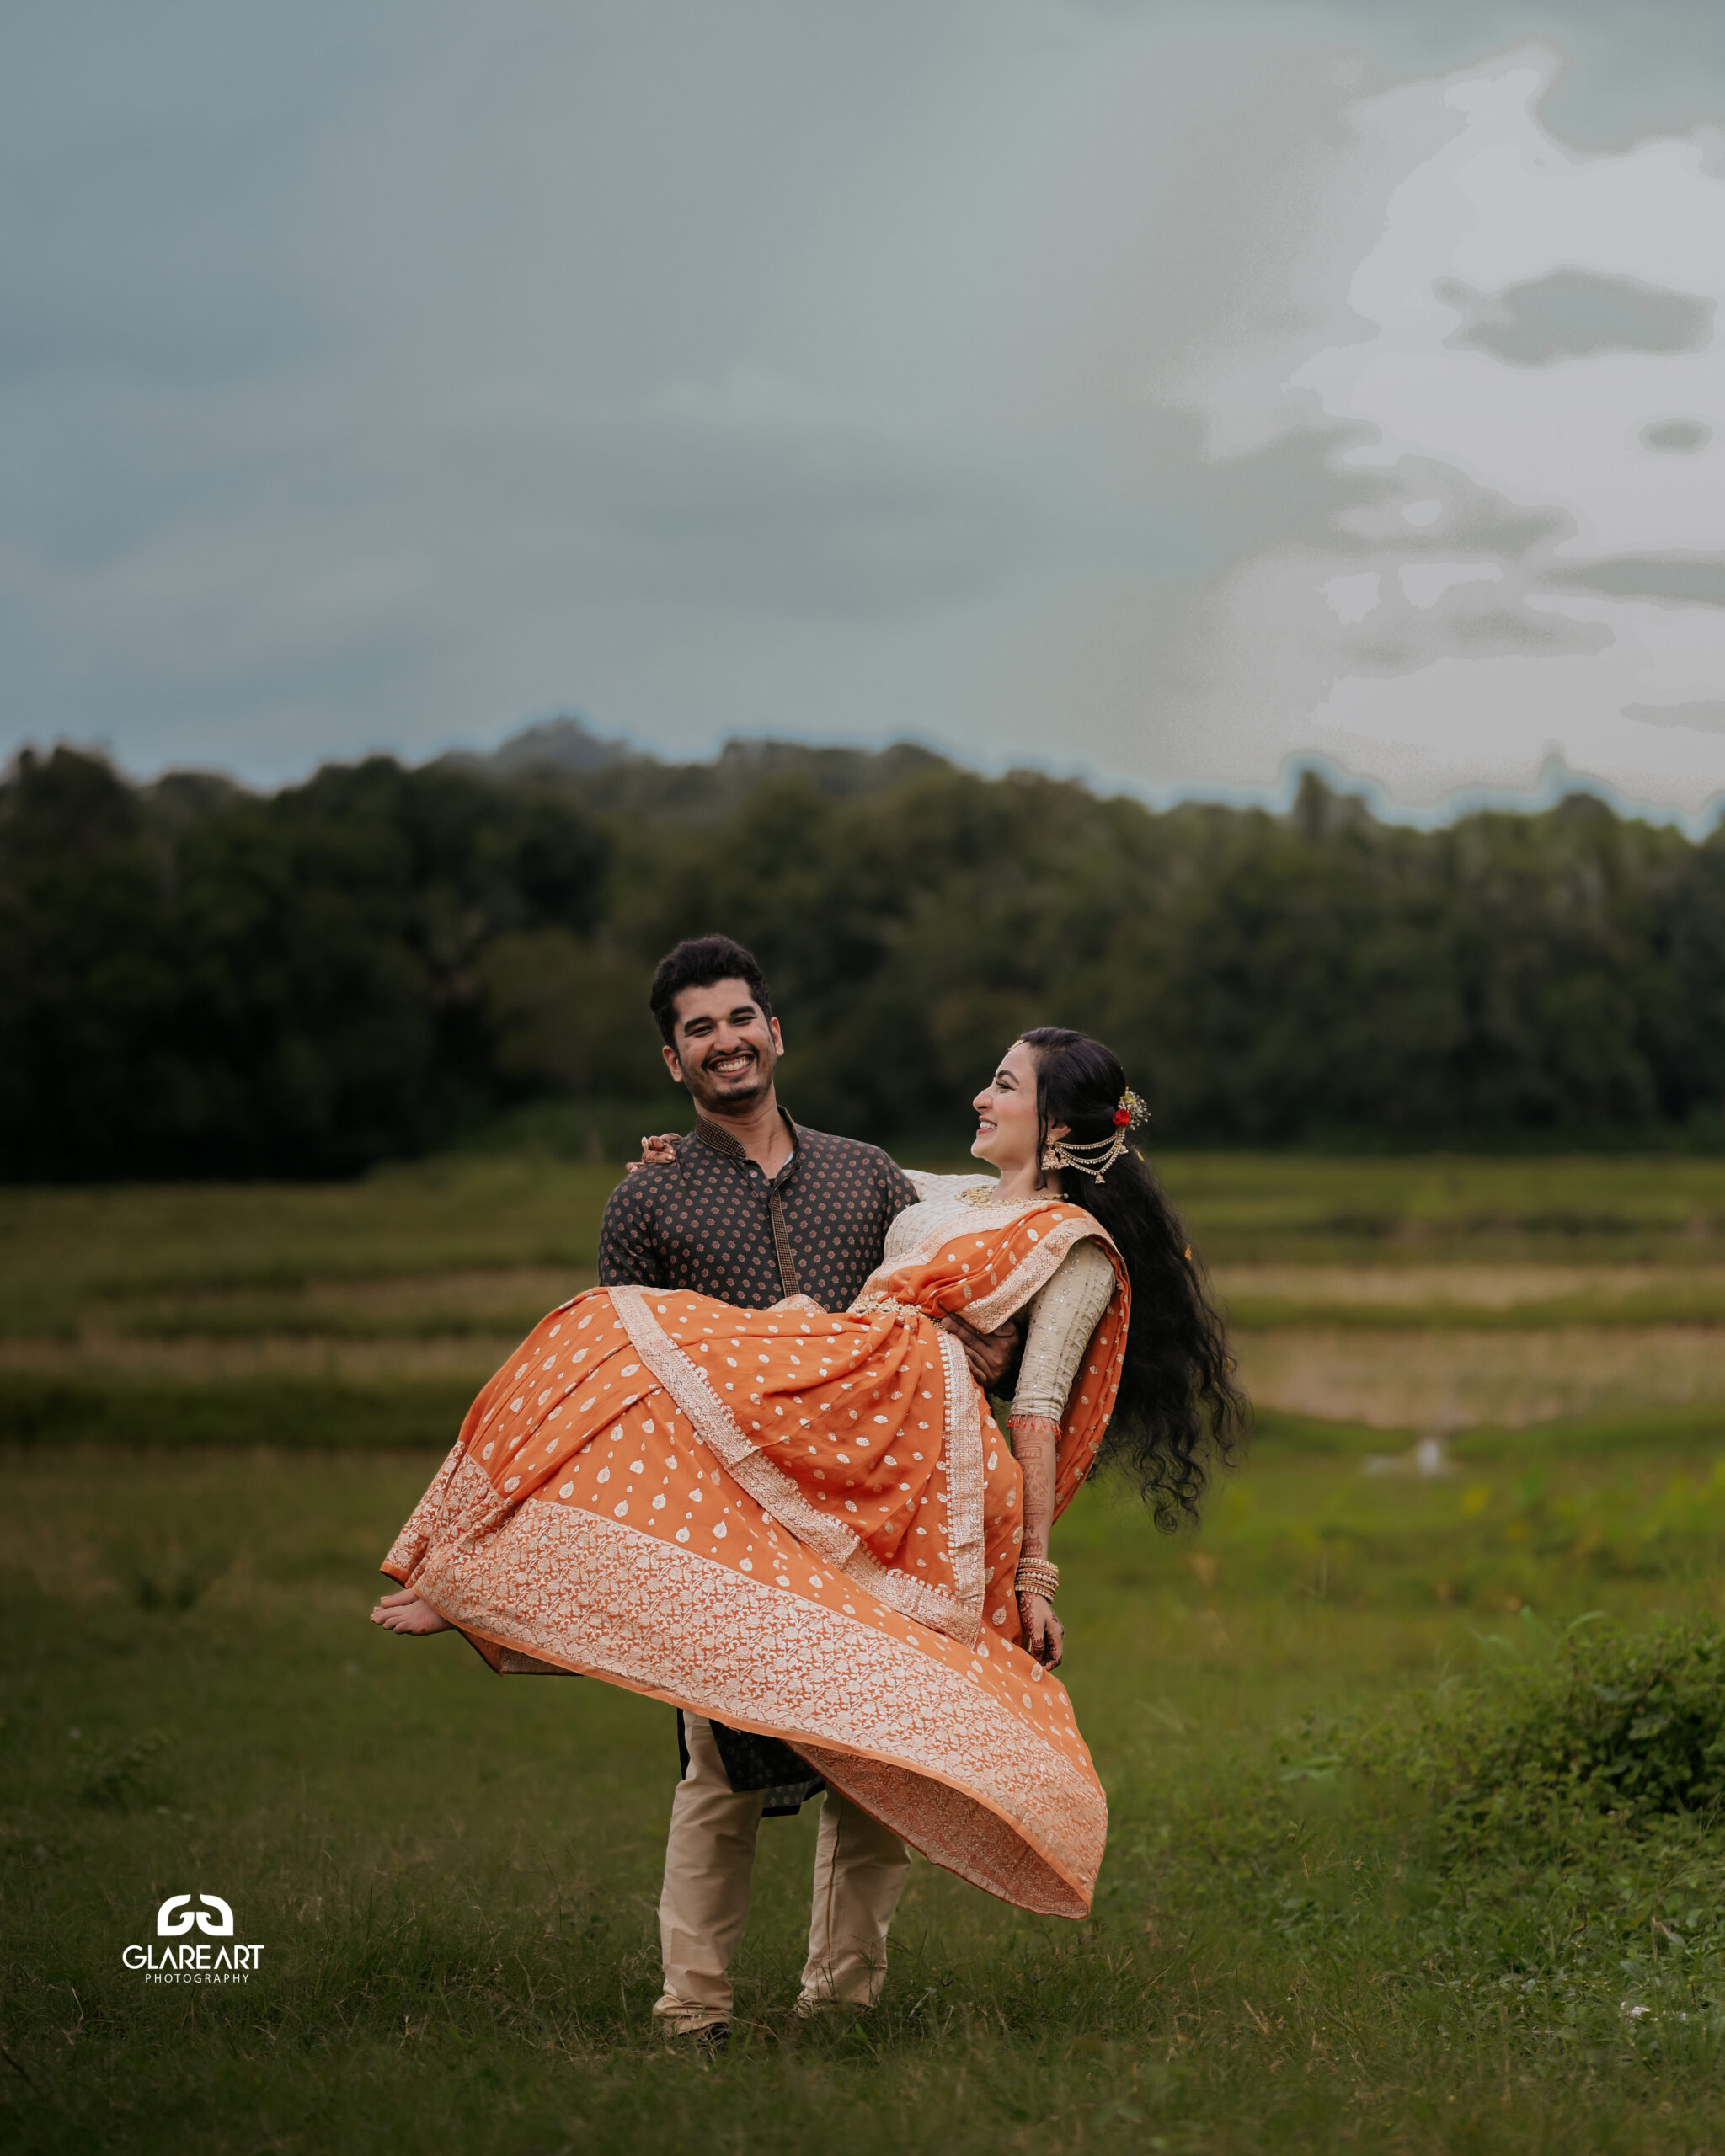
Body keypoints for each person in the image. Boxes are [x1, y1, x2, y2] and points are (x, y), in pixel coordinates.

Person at [372, 1012, 1243, 2040]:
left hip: (932, 1484)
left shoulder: (1075, 1249)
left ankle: (840, 2009)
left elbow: (1041, 1408)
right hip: (846, 1427)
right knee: (618, 1336)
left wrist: (1034, 1576)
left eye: (1003, 1085)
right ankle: (479, 1571)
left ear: (1055, 1128)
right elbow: (820, 1159)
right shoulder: (942, 1193)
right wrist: (683, 1161)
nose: (981, 1096)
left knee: (884, 1733)